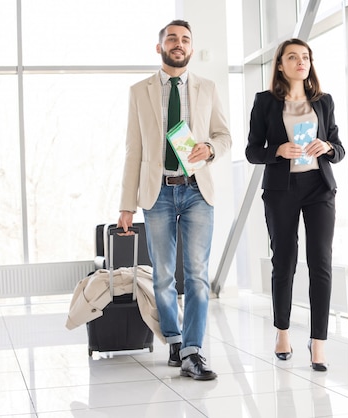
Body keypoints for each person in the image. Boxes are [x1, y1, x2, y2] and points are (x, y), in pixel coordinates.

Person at [117, 19, 231, 381]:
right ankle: (174, 338)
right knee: (164, 277)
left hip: (197, 190)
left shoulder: (207, 88)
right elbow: (133, 151)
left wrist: (210, 148)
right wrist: (126, 205)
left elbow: (224, 136)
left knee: (197, 275)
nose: (178, 44)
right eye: (172, 39)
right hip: (158, 193)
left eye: (185, 39)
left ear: (192, 49)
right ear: (160, 47)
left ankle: (193, 351)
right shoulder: (140, 91)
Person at [245, 38, 345, 372]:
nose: (300, 62)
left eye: (305, 57)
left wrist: (326, 146)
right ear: (280, 65)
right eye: (292, 57)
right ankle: (282, 333)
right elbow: (252, 151)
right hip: (281, 189)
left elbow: (339, 149)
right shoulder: (265, 103)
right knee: (284, 262)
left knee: (321, 263)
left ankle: (318, 342)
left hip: (319, 187)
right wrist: (278, 150)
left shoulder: (324, 102)